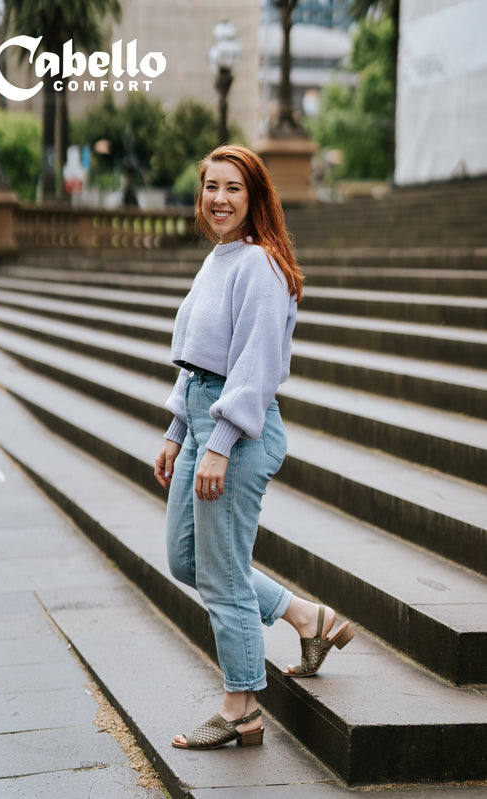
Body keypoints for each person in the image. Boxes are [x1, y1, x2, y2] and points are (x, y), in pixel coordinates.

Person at [154, 144, 354, 751]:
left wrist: (216, 444)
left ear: (256, 196)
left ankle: (242, 707)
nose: (218, 199)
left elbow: (254, 369)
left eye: (232, 188)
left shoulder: (261, 268)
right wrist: (175, 431)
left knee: (223, 578)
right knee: (188, 560)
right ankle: (308, 618)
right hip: (203, 424)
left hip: (237, 433)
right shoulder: (221, 257)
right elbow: (197, 358)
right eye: (210, 187)